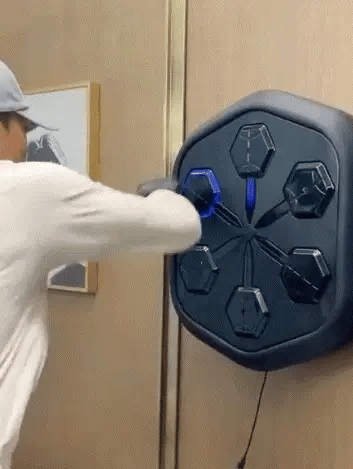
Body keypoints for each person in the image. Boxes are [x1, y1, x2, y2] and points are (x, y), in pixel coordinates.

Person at [0, 60, 201, 468]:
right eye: (24, 128)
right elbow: (182, 227)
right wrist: (164, 195)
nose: (24, 146)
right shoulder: (29, 190)